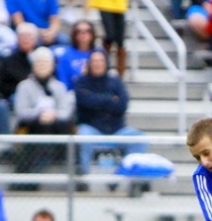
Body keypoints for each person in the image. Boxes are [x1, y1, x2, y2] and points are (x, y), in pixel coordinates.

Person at [75, 49, 147, 175]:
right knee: (82, 135)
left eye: (101, 61)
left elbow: (122, 105)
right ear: (89, 63)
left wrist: (95, 99)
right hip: (92, 130)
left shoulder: (116, 82)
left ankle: (130, 177)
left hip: (117, 130)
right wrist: (110, 99)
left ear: (106, 63)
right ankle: (83, 177)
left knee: (138, 138)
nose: (97, 64)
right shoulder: (81, 82)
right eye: (94, 61)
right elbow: (84, 102)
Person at [13, 46, 75, 174]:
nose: (42, 65)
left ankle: (76, 174)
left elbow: (65, 112)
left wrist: (53, 114)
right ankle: (31, 175)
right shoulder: (24, 86)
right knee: (41, 127)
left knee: (65, 127)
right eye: (38, 62)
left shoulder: (59, 87)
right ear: (33, 65)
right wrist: (39, 114)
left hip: (55, 127)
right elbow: (21, 112)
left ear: (52, 66)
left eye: (45, 62)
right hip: (31, 127)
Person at [78, 0, 138, 76]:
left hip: (119, 2)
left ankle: (120, 72)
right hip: (103, 1)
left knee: (120, 40)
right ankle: (102, 65)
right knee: (110, 35)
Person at [56, 19, 96, 91]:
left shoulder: (98, 54)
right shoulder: (66, 55)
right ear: (74, 35)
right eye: (79, 32)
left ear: (92, 34)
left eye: (87, 31)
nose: (83, 35)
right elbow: (63, 82)